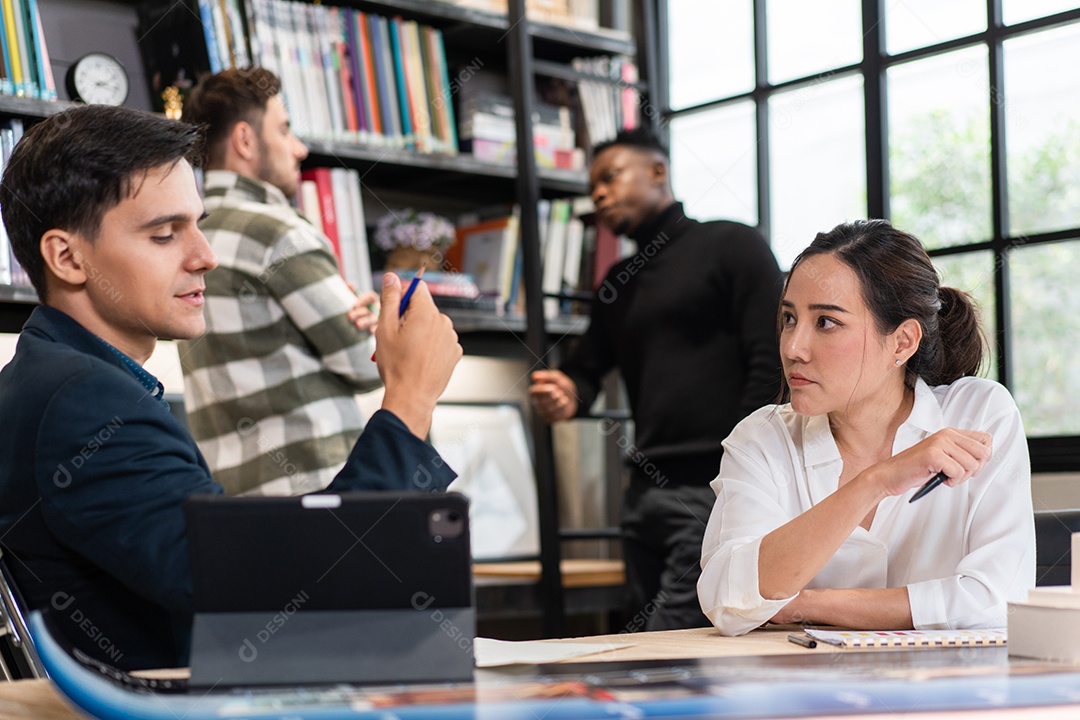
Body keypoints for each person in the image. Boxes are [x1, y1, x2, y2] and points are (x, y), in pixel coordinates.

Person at [0, 105, 462, 670]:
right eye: (165, 234)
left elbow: (253, 574)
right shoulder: (84, 402)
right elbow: (266, 598)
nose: (206, 257)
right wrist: (410, 401)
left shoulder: (52, 379)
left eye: (198, 224)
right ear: (67, 257)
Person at [698, 219, 1035, 636]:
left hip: (950, 677)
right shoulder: (762, 437)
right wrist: (876, 482)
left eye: (826, 322)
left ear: (902, 342)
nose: (792, 347)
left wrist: (807, 604)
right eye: (789, 318)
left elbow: (999, 600)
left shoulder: (979, 413)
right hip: (801, 677)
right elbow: (729, 600)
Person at [529, 128, 784, 630]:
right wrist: (567, 394)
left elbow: (771, 359)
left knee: (668, 638)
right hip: (643, 494)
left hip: (714, 486)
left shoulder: (732, 244)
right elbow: (585, 371)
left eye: (611, 177)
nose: (599, 194)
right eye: (593, 186)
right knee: (642, 637)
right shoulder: (617, 283)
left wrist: (740, 470)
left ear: (658, 171)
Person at [177, 67, 383, 496]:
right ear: (245, 140)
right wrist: (381, 320)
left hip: (235, 500)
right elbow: (369, 363)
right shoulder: (278, 232)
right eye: (285, 130)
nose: (300, 148)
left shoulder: (187, 237)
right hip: (319, 492)